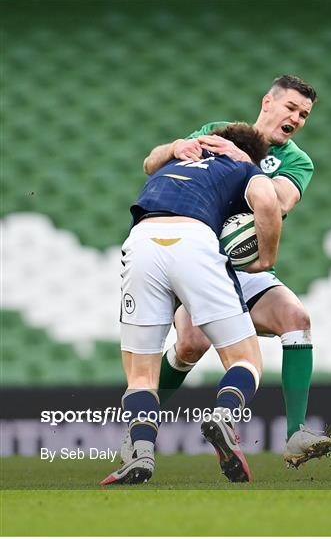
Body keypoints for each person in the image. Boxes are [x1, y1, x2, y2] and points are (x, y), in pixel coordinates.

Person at [128, 74, 331, 469]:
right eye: (291, 107)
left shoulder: (295, 160)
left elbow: (281, 203)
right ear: (268, 104)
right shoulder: (218, 133)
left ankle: (295, 434)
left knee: (297, 318)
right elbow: (151, 164)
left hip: (241, 264)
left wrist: (245, 163)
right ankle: (140, 433)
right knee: (190, 344)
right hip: (199, 257)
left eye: (304, 114)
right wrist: (176, 146)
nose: (296, 118)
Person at [101, 123, 282, 485]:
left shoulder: (178, 157)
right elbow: (266, 202)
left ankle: (142, 453)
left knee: (140, 376)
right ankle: (225, 417)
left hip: (142, 240)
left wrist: (176, 145)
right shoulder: (244, 167)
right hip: (195, 239)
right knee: (246, 359)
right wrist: (265, 258)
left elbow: (148, 161)